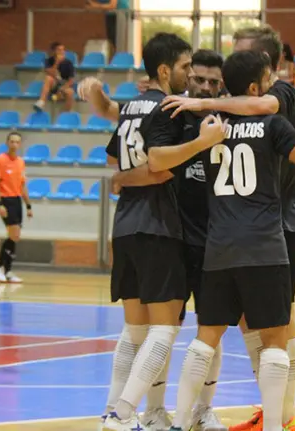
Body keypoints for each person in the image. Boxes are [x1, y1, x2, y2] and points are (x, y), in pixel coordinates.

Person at [168, 49, 295, 431]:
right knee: (274, 342)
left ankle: (179, 423)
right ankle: (274, 426)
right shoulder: (272, 124)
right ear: (255, 88)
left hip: (219, 246)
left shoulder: (211, 125)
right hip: (264, 246)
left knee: (204, 340)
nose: (272, 86)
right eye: (268, 79)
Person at [162, 25, 295, 431]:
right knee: (258, 324)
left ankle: (284, 417)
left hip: (275, 221)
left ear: (265, 65)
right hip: (246, 225)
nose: (230, 64)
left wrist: (198, 102)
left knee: (278, 324)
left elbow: (262, 107)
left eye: (241, 54)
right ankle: (275, 414)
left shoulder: (278, 94)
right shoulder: (237, 109)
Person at [78, 33, 225, 431]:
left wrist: (123, 177)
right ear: (165, 70)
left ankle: (113, 410)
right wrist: (202, 142)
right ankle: (123, 413)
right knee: (164, 329)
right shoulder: (165, 107)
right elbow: (159, 165)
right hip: (158, 226)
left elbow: (115, 156)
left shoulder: (134, 105)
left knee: (136, 330)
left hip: (127, 224)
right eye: (186, 68)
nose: (191, 76)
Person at [0, 132, 33, 284]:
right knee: (14, 233)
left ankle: (7, 271)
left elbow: (22, 185)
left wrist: (28, 205)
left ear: (20, 144)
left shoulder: (21, 162)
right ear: (7, 143)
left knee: (15, 236)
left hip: (16, 200)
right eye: (12, 141)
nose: (14, 144)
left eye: (17, 142)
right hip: (5, 199)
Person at [34, 42, 76, 113]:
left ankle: (65, 115)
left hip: (64, 86)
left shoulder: (68, 63)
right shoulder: (48, 61)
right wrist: (57, 62)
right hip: (54, 85)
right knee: (48, 78)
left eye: (63, 50)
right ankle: (41, 102)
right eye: (59, 50)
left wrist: (62, 88)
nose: (62, 52)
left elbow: (71, 80)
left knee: (70, 92)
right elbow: (50, 73)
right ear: (54, 51)